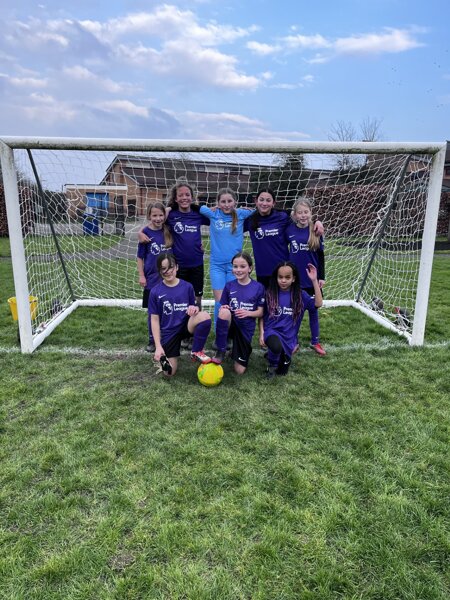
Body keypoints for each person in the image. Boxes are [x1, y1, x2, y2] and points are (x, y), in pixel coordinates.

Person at [244, 187, 324, 289]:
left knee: (284, 302)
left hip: (283, 271)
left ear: (274, 203)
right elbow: (232, 225)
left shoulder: (283, 216)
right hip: (262, 271)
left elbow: (301, 216)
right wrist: (218, 212)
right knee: (266, 303)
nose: (264, 203)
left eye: (268, 200)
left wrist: (317, 221)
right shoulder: (250, 220)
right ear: (256, 201)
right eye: (261, 200)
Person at [149, 253, 212, 377]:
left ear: (177, 267)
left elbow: (193, 308)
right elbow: (154, 320)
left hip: (185, 326)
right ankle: (163, 358)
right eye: (163, 268)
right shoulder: (155, 292)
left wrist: (194, 308)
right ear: (159, 270)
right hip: (169, 332)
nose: (167, 271)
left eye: (171, 267)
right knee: (169, 373)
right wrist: (158, 346)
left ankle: (196, 350)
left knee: (204, 316)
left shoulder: (187, 286)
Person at [259, 261, 323, 379]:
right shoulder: (270, 293)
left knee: (282, 371)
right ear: (276, 278)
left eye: (287, 277)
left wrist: (314, 280)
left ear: (293, 279)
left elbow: (318, 304)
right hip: (272, 331)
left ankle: (277, 354)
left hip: (289, 337)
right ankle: (271, 366)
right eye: (280, 277)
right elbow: (262, 315)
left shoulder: (300, 295)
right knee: (276, 346)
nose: (283, 280)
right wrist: (262, 333)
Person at [198, 188, 252, 326]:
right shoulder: (214, 214)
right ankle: (219, 334)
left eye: (229, 201)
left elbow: (258, 210)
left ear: (235, 202)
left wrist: (248, 208)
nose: (226, 204)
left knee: (232, 300)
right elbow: (201, 208)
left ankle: (231, 331)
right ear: (218, 203)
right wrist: (213, 207)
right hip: (217, 266)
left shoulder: (240, 214)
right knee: (220, 301)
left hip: (235, 267)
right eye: (223, 201)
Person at [211, 252, 265, 374]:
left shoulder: (258, 287)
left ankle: (239, 349)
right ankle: (221, 349)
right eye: (235, 266)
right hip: (232, 325)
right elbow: (224, 307)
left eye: (242, 266)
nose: (238, 270)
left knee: (239, 371)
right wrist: (224, 308)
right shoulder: (229, 286)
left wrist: (248, 313)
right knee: (224, 312)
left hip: (245, 329)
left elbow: (261, 312)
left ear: (250, 268)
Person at [286, 197, 326, 356]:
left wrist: (321, 277)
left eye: (306, 212)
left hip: (313, 279)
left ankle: (315, 341)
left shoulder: (316, 230)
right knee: (298, 310)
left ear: (311, 213)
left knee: (314, 309)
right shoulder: (289, 230)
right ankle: (292, 340)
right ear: (294, 215)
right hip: (297, 279)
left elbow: (321, 256)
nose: (303, 215)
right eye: (300, 212)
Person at [136, 202, 173, 352]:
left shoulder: (168, 230)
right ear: (149, 216)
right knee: (153, 311)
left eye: (160, 215)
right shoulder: (145, 233)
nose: (158, 218)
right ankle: (152, 340)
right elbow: (140, 257)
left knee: (168, 308)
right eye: (154, 215)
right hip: (151, 279)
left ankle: (167, 337)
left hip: (169, 277)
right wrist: (141, 275)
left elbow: (170, 208)